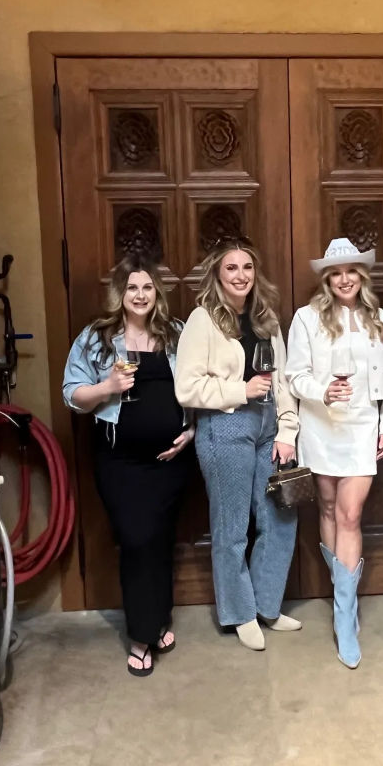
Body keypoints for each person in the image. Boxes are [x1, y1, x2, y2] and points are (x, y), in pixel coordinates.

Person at [62, 254, 194, 677]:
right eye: (133, 288)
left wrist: (190, 432)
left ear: (158, 294)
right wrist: (107, 386)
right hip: (120, 462)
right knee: (136, 540)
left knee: (159, 540)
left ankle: (160, 618)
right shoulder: (98, 338)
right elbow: (72, 394)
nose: (140, 295)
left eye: (148, 288)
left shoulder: (176, 334)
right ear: (121, 294)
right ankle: (141, 635)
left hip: (170, 462)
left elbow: (199, 387)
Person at [174, 237, 301, 652]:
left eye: (247, 268)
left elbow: (280, 382)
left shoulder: (265, 319)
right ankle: (240, 613)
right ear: (217, 274)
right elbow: (187, 388)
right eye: (232, 268)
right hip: (224, 427)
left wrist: (287, 431)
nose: (241, 276)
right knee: (231, 527)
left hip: (268, 426)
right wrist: (240, 389)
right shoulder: (202, 320)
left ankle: (266, 605)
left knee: (280, 517)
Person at [285, 238, 383, 669]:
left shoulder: (379, 319)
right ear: (327, 279)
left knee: (350, 514)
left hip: (360, 430)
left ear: (362, 275)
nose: (344, 279)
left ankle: (344, 617)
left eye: (351, 270)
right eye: (336, 273)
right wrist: (323, 391)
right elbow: (294, 376)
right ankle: (343, 596)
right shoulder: (307, 318)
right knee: (330, 509)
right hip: (320, 427)